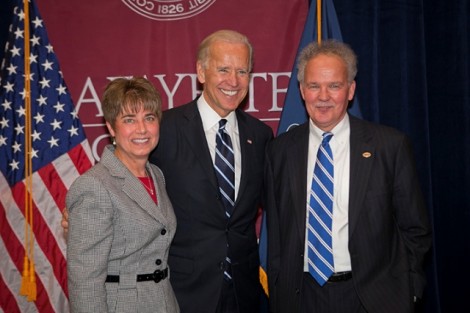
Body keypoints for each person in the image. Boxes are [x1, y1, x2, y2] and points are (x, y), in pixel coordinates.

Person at [264, 40, 432, 313]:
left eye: (334, 86)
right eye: (314, 85)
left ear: (351, 90)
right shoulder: (280, 151)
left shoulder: (389, 146)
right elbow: (277, 234)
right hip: (301, 297)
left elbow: (415, 228)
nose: (323, 96)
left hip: (372, 298)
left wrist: (409, 289)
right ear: (302, 90)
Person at [149, 30, 273, 313]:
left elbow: (278, 204)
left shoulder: (261, 135)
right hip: (183, 292)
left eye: (242, 71)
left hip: (244, 294)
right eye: (224, 69)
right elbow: (128, 181)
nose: (234, 81)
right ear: (201, 72)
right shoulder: (165, 128)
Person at [66, 77, 179, 312]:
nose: (142, 129)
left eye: (149, 117)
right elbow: (85, 281)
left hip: (164, 303)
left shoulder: (156, 175)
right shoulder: (94, 186)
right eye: (129, 120)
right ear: (111, 127)